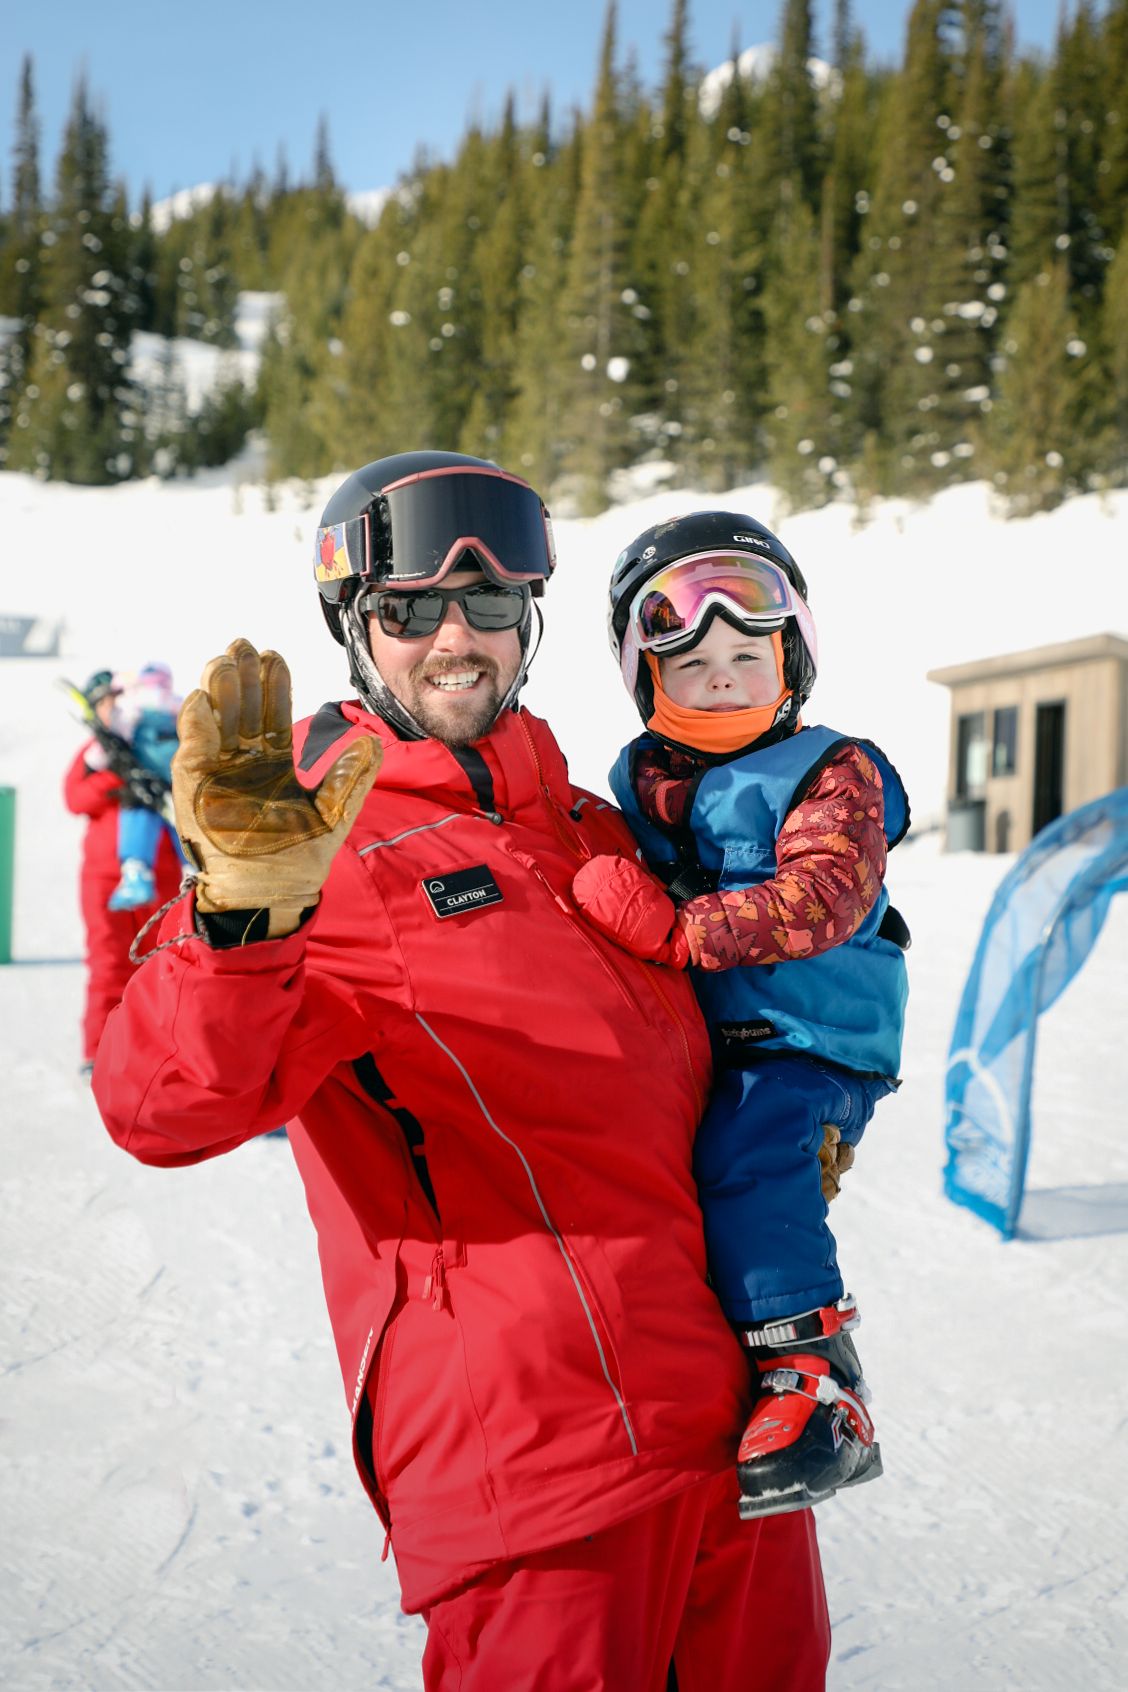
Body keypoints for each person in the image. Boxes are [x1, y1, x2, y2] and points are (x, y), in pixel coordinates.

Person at [93, 453, 830, 1691]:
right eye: (408, 609)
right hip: (543, 1479)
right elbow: (162, 1108)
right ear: (353, 627)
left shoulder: (599, 833)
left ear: (529, 619)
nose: (455, 638)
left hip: (732, 1450)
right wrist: (237, 924)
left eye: (489, 607)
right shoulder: (313, 843)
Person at [572, 510, 910, 1520]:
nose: (721, 676)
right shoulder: (643, 784)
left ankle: (816, 1380)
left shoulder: (829, 771)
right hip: (716, 1045)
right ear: (647, 681)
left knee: (751, 1147)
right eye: (691, 661)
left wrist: (678, 930)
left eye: (744, 655)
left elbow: (824, 897)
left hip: (809, 1042)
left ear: (791, 660)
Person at [63, 668, 181, 1075]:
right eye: (104, 701)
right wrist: (116, 775)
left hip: (161, 875)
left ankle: (156, 1053)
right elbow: (75, 798)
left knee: (159, 968)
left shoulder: (150, 737)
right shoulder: (97, 752)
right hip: (103, 877)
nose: (112, 707)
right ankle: (98, 1052)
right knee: (109, 964)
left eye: (117, 698)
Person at [105, 662, 184, 911]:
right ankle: (194, 872)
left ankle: (136, 873)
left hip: (147, 786)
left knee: (137, 817)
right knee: (184, 827)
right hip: (176, 784)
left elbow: (117, 732)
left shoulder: (135, 706)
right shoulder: (178, 705)